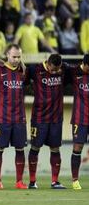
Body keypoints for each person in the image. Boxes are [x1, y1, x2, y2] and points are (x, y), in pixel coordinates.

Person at [27, 54, 66, 189]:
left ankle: (55, 181)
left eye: (57, 70)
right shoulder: (35, 70)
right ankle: (32, 182)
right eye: (53, 69)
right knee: (35, 148)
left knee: (55, 149)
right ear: (47, 63)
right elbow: (21, 74)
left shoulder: (64, 69)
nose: (55, 72)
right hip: (39, 118)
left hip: (56, 118)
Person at [0, 44, 28, 189]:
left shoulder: (24, 71)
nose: (16, 59)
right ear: (7, 54)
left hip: (19, 118)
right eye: (14, 56)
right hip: (3, 118)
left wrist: (23, 64)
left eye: (19, 57)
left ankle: (19, 181)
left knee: (20, 149)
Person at [69, 54, 89, 190]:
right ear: (84, 64)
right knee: (77, 148)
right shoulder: (74, 73)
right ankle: (75, 180)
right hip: (80, 118)